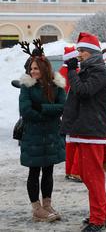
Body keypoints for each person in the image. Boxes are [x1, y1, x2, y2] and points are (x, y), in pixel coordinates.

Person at [60, 32, 106, 232]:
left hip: (92, 130)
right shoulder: (90, 69)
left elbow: (83, 91)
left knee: (92, 176)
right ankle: (103, 213)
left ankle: (98, 219)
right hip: (85, 128)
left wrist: (72, 72)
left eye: (81, 50)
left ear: (92, 53)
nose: (78, 54)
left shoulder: (99, 70)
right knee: (88, 174)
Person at [19, 51, 66, 222]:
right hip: (33, 136)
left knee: (48, 171)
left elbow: (63, 106)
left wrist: (42, 108)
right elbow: (26, 111)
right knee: (34, 171)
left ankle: (47, 205)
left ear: (45, 69)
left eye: (36, 68)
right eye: (31, 68)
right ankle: (36, 208)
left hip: (51, 135)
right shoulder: (27, 86)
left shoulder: (57, 86)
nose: (33, 71)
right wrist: (48, 113)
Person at [58, 46, 82, 182]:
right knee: (79, 142)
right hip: (75, 110)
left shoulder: (60, 72)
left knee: (70, 142)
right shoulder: (77, 72)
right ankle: (76, 171)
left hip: (65, 111)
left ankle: (69, 170)